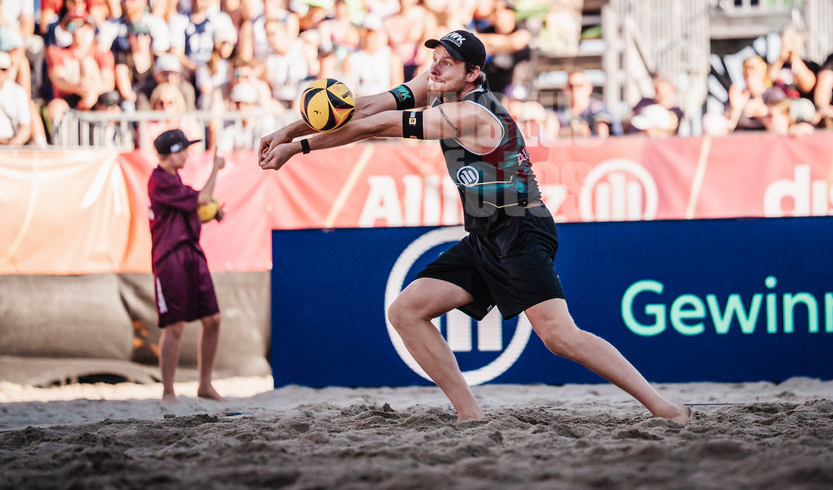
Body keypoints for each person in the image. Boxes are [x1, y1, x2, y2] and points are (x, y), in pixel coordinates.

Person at [258, 30, 692, 425]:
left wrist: (299, 148)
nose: (435, 68)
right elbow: (366, 106)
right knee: (406, 311)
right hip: (485, 235)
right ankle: (470, 415)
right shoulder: (437, 85)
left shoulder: (471, 114)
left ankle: (665, 408)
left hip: (521, 228)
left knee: (560, 336)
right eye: (435, 59)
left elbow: (375, 125)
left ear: (473, 74)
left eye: (447, 62)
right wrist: (286, 130)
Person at [148, 128, 226, 405]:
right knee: (174, 326)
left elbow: (191, 210)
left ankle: (204, 385)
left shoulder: (172, 180)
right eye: (183, 150)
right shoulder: (159, 180)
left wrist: (212, 214)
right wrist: (216, 168)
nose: (187, 155)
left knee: (213, 319)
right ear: (172, 154)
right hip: (169, 258)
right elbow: (202, 199)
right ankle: (168, 392)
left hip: (191, 252)